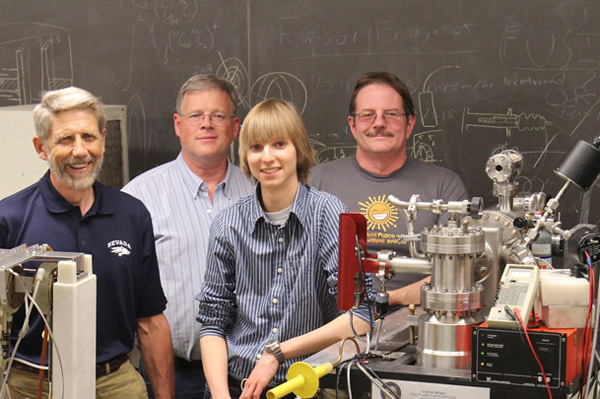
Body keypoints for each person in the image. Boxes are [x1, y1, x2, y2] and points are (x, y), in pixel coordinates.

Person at [0, 87, 175, 399]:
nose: (79, 151)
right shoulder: (9, 218)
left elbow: (150, 322)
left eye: (88, 137)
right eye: (66, 139)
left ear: (104, 140)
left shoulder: (131, 215)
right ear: (41, 147)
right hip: (31, 386)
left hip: (116, 383)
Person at [196, 99, 372, 399]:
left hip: (307, 389)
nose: (267, 157)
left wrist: (277, 353)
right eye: (256, 147)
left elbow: (361, 316)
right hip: (237, 386)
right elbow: (213, 322)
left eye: (279, 144)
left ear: (298, 149)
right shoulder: (228, 224)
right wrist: (220, 395)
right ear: (245, 156)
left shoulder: (327, 213)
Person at [123, 74, 253, 398]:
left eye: (218, 116)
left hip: (249, 376)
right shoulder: (139, 197)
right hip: (171, 376)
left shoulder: (260, 193)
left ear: (235, 127)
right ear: (178, 124)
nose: (207, 124)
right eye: (196, 116)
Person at [310, 71, 469, 306]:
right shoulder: (315, 182)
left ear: (410, 123)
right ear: (352, 125)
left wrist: (385, 302)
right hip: (333, 327)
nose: (379, 123)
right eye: (368, 115)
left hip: (417, 324)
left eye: (391, 114)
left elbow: (456, 272)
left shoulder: (444, 187)